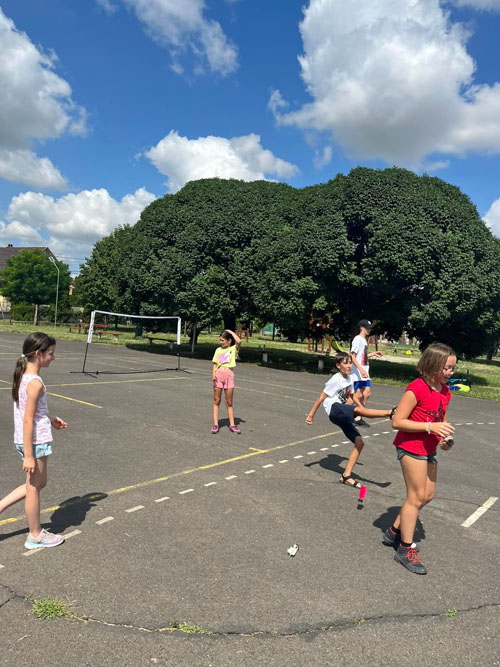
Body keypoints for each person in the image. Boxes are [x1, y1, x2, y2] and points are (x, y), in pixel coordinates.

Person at [386, 342, 456, 575]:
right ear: (433, 364)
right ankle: (405, 549)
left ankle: (393, 531)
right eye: (447, 368)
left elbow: (441, 422)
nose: (450, 372)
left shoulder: (445, 392)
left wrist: (444, 439)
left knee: (427, 496)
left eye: (453, 368)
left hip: (429, 448)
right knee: (415, 497)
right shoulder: (416, 388)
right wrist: (429, 426)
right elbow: (398, 421)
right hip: (411, 447)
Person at [0, 333, 68, 548]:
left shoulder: (25, 376)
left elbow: (32, 413)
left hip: (31, 439)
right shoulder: (35, 383)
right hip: (34, 442)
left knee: (38, 483)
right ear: (38, 354)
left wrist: (50, 419)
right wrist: (29, 456)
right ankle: (35, 535)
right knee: (34, 487)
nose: (53, 357)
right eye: (51, 353)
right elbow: (27, 420)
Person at [306, 351, 394, 488]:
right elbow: (321, 398)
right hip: (334, 409)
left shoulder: (351, 378)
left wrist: (362, 409)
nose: (349, 366)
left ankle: (346, 476)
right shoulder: (335, 379)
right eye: (345, 363)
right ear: (338, 365)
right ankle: (390, 413)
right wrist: (311, 415)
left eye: (350, 363)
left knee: (359, 442)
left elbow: (353, 396)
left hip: (341, 413)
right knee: (356, 410)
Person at [350, 319, 382, 426]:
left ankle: (358, 415)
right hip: (358, 372)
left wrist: (373, 354)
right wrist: (360, 369)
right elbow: (352, 356)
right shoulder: (357, 339)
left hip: (364, 371)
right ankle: (348, 413)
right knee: (357, 395)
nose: (369, 330)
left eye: (370, 328)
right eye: (367, 328)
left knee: (367, 393)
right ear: (361, 328)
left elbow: (362, 356)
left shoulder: (364, 340)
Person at [211, 329, 242, 434]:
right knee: (217, 400)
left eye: (223, 340)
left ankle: (232, 425)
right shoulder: (218, 350)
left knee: (229, 402)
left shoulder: (233, 349)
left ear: (229, 341)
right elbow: (215, 364)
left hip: (229, 375)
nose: (221, 342)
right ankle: (215, 424)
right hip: (219, 375)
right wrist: (213, 375)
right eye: (220, 340)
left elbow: (239, 341)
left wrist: (231, 332)